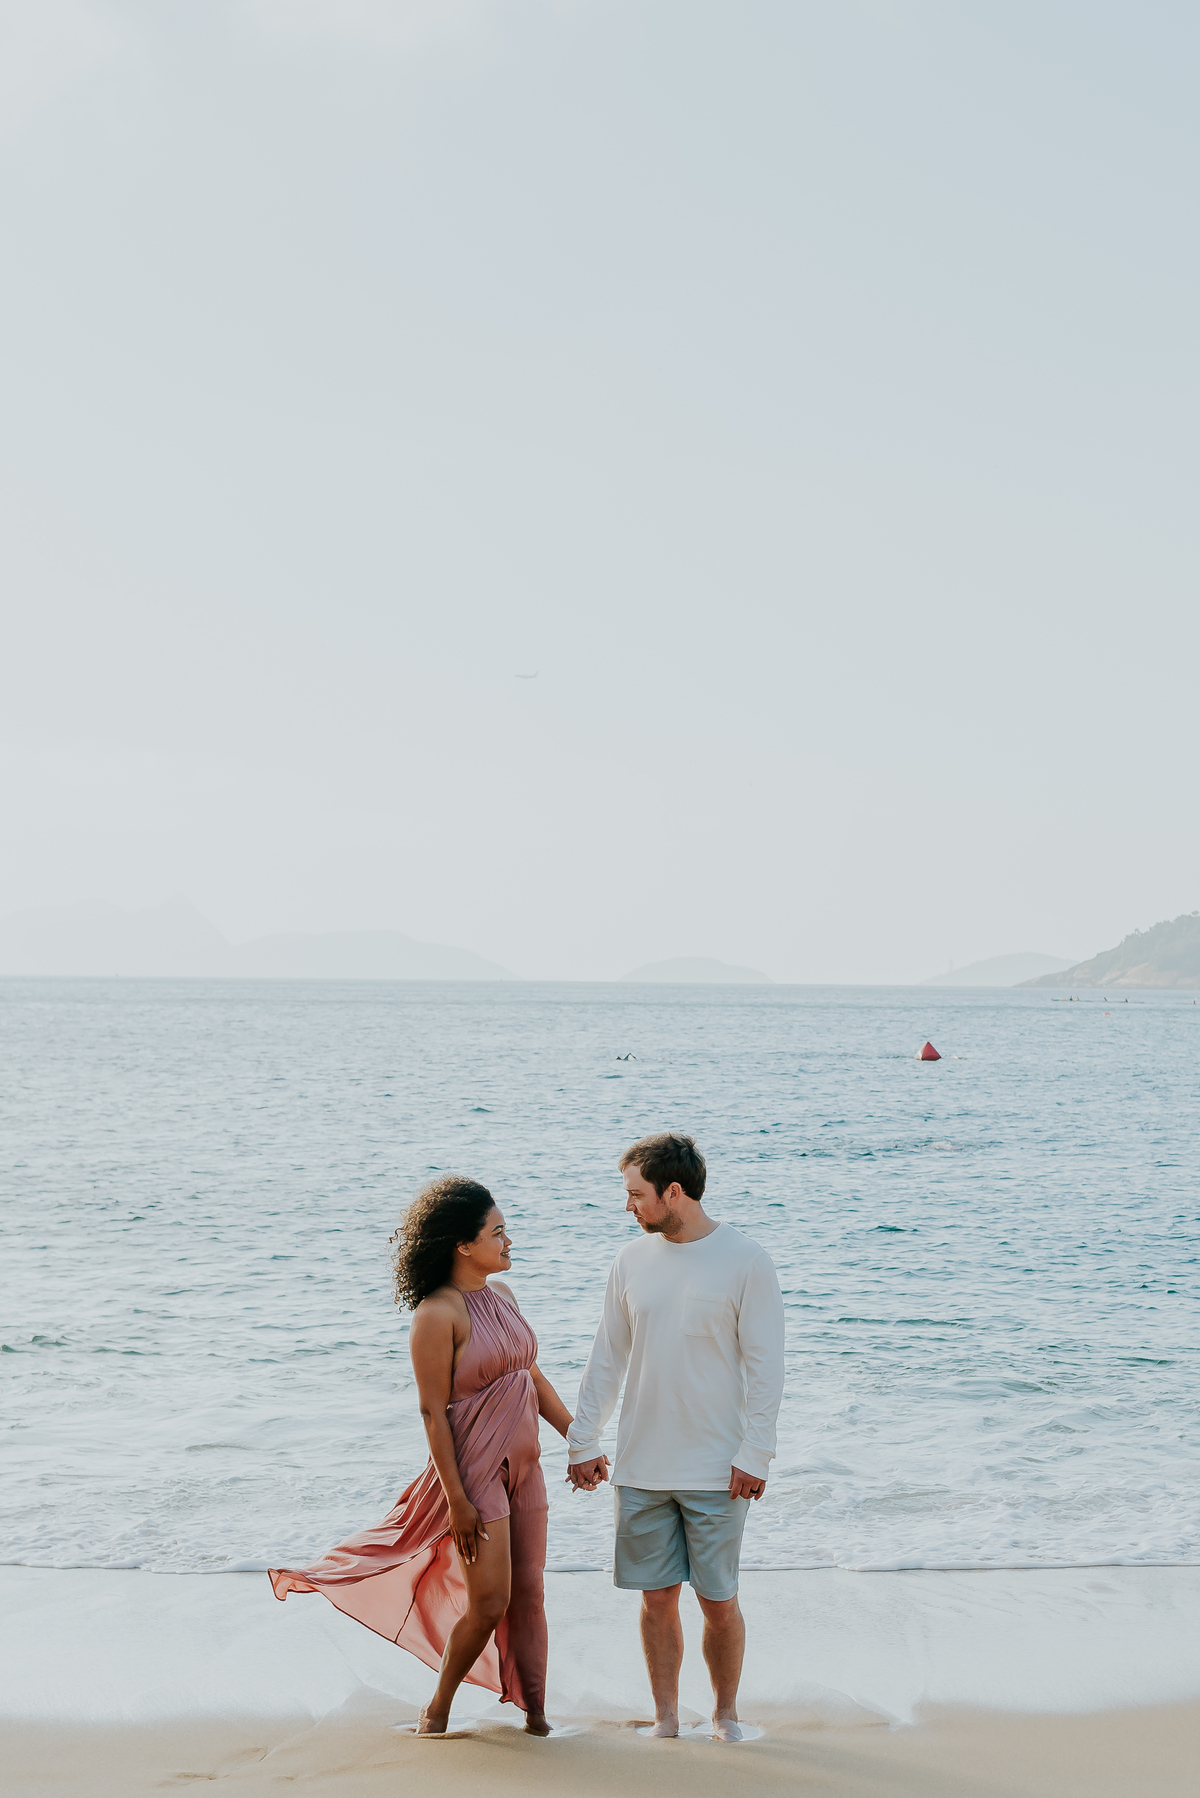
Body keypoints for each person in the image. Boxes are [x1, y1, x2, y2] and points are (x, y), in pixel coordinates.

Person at [270, 1176, 574, 1736]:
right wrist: (457, 1500)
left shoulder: (502, 1296)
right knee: (489, 1602)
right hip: (476, 1479)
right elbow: (433, 1413)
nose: (510, 1241)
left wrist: (577, 1439)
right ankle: (437, 1709)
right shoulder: (437, 1314)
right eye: (499, 1232)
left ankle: (537, 1717)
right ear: (463, 1244)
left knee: (530, 1594)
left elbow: (528, 1373)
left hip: (527, 1471)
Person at [566, 1133, 784, 1741]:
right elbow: (606, 1359)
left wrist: (755, 1453)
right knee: (656, 1599)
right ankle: (665, 1718)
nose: (628, 1206)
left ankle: (725, 1715)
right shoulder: (630, 1262)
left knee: (719, 1600)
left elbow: (767, 1368)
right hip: (640, 1468)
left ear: (674, 1192)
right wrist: (584, 1440)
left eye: (636, 1194)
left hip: (719, 1469)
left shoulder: (746, 1260)